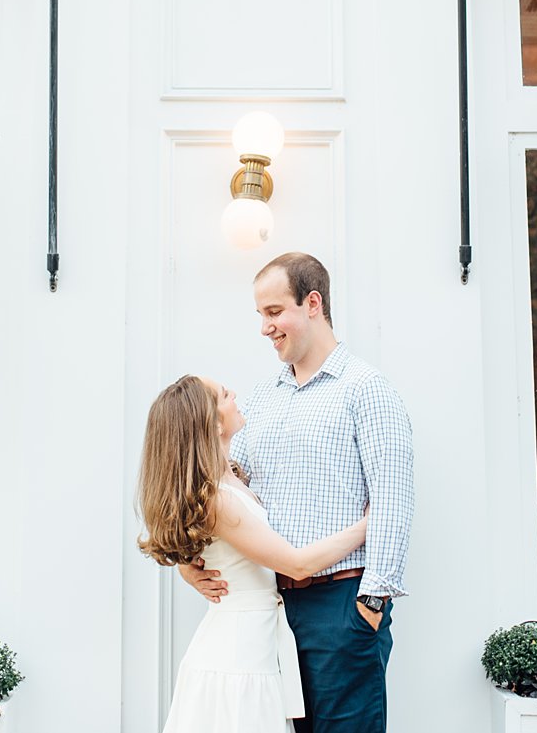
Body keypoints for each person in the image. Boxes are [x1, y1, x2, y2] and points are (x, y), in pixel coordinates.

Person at [182, 252, 414, 733]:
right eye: (260, 315)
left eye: (273, 312)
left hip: (341, 606)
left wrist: (370, 606)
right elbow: (216, 480)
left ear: (313, 303)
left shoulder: (366, 390)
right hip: (272, 611)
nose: (265, 327)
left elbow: (394, 499)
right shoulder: (263, 398)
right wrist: (188, 559)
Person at [138, 374, 369, 733]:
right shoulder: (219, 500)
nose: (235, 397)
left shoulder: (229, 478)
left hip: (252, 640)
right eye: (226, 395)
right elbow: (298, 564)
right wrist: (367, 525)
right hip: (237, 653)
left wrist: (188, 566)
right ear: (212, 424)